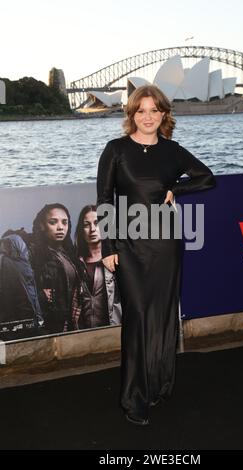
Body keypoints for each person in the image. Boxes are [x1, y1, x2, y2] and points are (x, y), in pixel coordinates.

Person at [97, 85, 216, 426]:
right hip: (130, 246)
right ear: (131, 115)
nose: (147, 117)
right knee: (136, 315)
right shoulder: (116, 150)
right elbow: (104, 199)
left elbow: (207, 178)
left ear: (164, 114)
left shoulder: (173, 151)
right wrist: (108, 247)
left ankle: (160, 383)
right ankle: (134, 397)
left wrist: (174, 189)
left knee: (163, 314)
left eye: (154, 110)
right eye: (141, 111)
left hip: (166, 243)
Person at [31, 203, 80, 334]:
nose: (60, 227)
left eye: (65, 222)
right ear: (42, 226)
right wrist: (41, 295)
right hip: (52, 324)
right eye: (53, 222)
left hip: (72, 321)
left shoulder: (69, 253)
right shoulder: (34, 254)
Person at [73, 205, 122, 329]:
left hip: (114, 330)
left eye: (97, 223)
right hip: (82, 335)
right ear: (81, 230)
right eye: (86, 225)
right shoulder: (75, 262)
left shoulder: (116, 259)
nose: (92, 229)